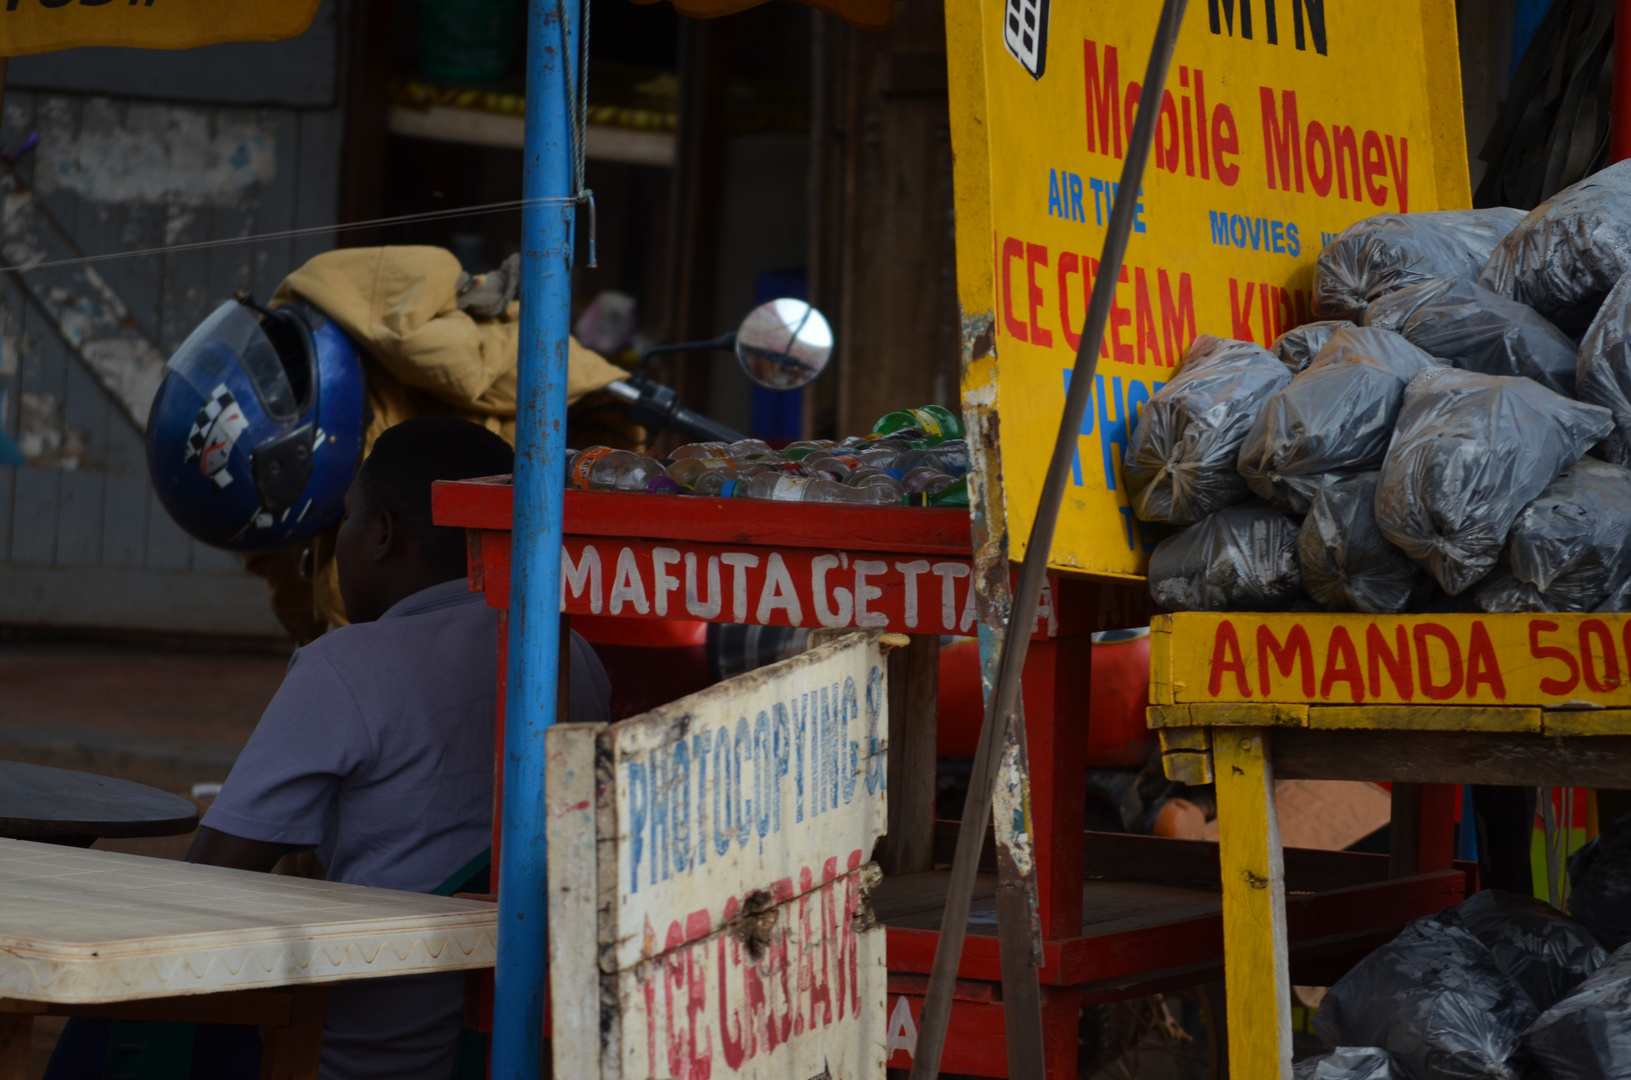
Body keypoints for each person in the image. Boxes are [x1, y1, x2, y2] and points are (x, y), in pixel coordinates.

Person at [49, 418, 611, 1080]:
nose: (334, 545)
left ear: (382, 534)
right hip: (488, 1050)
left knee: (102, 994)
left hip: (332, 1053)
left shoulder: (348, 665)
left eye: (345, 520)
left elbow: (208, 881)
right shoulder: (573, 660)